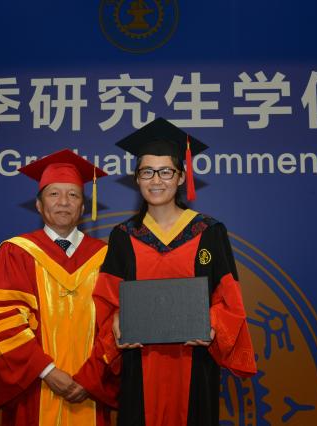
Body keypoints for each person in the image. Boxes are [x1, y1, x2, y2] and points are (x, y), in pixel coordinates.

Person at [77, 118, 257, 426]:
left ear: (181, 176)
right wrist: (117, 322)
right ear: (137, 179)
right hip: (139, 364)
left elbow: (229, 298)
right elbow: (107, 300)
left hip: (195, 363)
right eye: (147, 172)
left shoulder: (209, 232)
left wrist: (212, 325)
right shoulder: (124, 236)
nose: (156, 180)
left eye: (166, 171)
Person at [0, 149, 115, 426]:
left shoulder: (107, 257)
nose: (63, 202)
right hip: (35, 387)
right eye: (54, 194)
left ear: (83, 206)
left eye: (73, 195)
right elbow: (4, 322)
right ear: (39, 205)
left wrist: (90, 377)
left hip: (90, 390)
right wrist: (46, 371)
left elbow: (117, 322)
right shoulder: (17, 252)